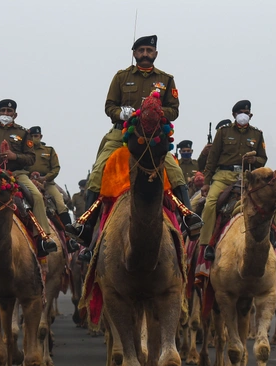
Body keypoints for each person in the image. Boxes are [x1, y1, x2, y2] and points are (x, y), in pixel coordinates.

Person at [76, 34, 201, 242]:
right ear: (134, 53)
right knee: (100, 168)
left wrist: (157, 113)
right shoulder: (121, 76)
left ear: (156, 54)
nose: (145, 54)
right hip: (122, 133)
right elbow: (109, 106)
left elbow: (174, 110)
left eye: (149, 51)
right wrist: (122, 114)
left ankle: (189, 216)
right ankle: (86, 225)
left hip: (154, 135)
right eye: (141, 51)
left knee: (174, 170)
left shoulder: (166, 79)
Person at [199, 100, 276, 260]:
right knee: (210, 204)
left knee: (271, 199)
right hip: (224, 176)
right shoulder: (223, 132)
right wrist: (207, 183)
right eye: (240, 112)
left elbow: (263, 158)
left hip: (248, 177)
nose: (243, 115)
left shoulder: (257, 134)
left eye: (246, 112)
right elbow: (212, 159)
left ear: (250, 115)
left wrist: (254, 161)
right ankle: (206, 244)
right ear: (234, 115)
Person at [0, 99, 57, 257]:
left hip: (17, 174)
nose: (6, 114)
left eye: (9, 111)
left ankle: (43, 238)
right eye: (3, 111)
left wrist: (14, 156)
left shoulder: (23, 132)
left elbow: (31, 158)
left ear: (15, 114)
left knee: (36, 197)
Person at [27, 126, 72, 229]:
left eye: (36, 136)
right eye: (32, 136)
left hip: (47, 182)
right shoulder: (24, 151)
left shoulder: (49, 150)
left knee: (60, 202)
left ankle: (69, 232)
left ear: (41, 136)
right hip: (29, 181)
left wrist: (45, 178)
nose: (34, 138)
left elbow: (56, 168)